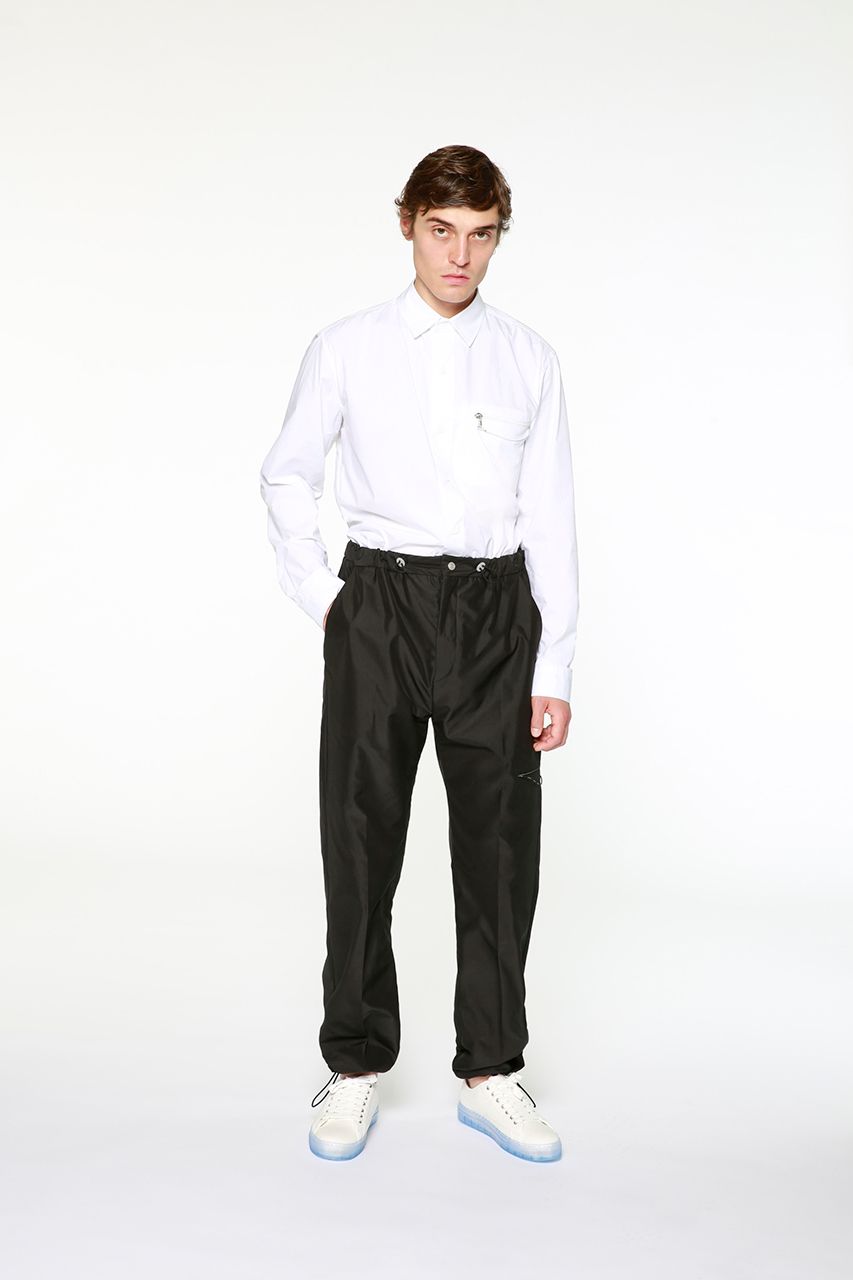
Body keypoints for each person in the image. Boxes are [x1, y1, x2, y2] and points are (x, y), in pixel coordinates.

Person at [259, 144, 579, 1163]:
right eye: (442, 231)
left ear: (497, 237)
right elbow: (286, 474)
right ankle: (353, 1065)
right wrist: (329, 601)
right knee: (359, 836)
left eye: (481, 235)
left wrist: (553, 666)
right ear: (408, 225)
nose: (460, 255)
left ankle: (490, 1070)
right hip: (381, 603)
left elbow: (551, 515)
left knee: (499, 847)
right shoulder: (345, 348)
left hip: (494, 612)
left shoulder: (528, 358)